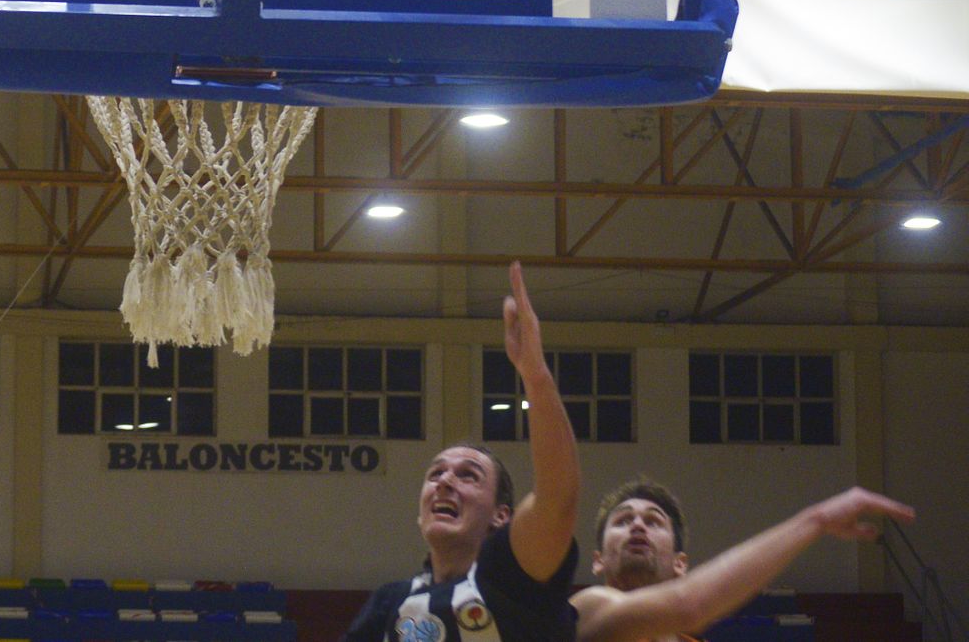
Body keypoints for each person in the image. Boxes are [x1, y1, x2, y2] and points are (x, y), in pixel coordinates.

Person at [343, 262, 580, 642]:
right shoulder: (391, 601)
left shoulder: (513, 578)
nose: (445, 481)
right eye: (435, 473)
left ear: (502, 516)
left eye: (469, 475)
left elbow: (558, 498)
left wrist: (534, 374)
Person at [573, 479, 916, 642]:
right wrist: (817, 520)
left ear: (681, 563)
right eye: (622, 520)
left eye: (653, 521)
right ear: (598, 560)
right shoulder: (586, 611)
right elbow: (691, 604)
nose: (636, 525)